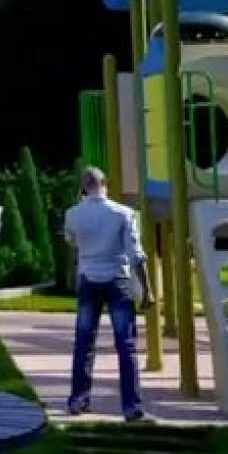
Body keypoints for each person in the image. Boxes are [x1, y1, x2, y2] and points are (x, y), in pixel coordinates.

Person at [61, 165, 147, 421]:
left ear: (83, 188)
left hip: (88, 278)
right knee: (126, 345)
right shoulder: (123, 213)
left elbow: (72, 242)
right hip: (117, 279)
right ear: (105, 184)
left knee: (84, 343)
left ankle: (78, 399)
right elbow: (136, 255)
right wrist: (147, 290)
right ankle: (130, 406)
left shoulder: (72, 214)